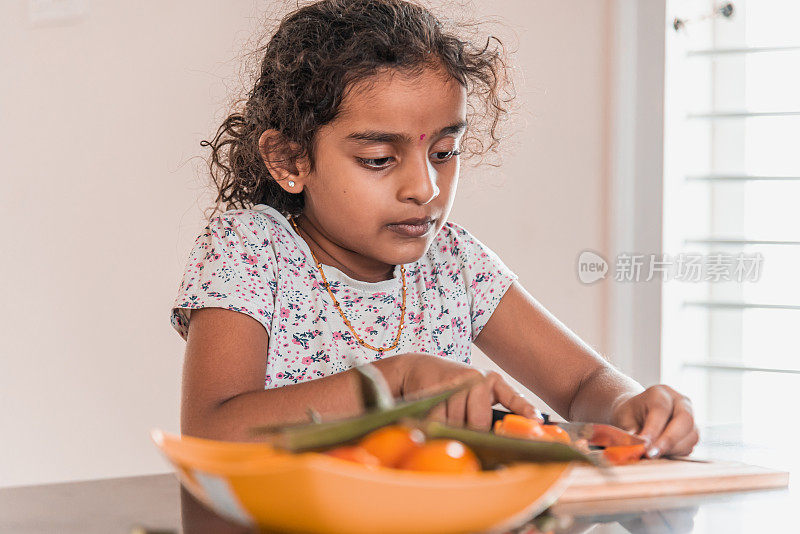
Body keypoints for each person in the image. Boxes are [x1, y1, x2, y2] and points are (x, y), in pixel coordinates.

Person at [170, 0, 698, 459]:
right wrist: (395, 382)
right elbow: (211, 431)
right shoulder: (250, 252)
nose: (425, 187)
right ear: (290, 159)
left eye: (444, 153)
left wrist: (635, 405)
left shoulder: (453, 263)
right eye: (378, 159)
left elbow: (583, 383)